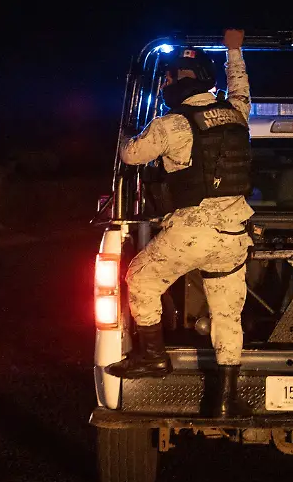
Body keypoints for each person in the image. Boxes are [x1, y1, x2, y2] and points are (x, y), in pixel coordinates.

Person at [107, 29, 255, 418]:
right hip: (235, 235)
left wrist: (125, 136)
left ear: (178, 81)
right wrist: (234, 51)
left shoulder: (170, 124)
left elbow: (133, 156)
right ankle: (225, 401)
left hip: (193, 231)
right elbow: (240, 86)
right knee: (227, 314)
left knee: (140, 279)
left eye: (168, 78)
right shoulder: (237, 112)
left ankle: (154, 358)